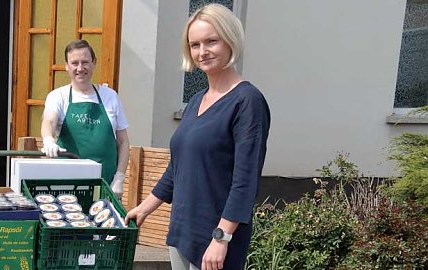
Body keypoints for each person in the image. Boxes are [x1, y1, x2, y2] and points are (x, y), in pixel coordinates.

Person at [125, 4, 270, 270]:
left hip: (216, 239)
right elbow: (177, 167)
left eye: (211, 42)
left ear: (230, 40)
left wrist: (222, 237)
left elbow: (245, 181)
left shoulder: (247, 101)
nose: (202, 52)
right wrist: (144, 208)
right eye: (195, 45)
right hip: (182, 232)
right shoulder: (195, 101)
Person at [40, 40, 130, 197]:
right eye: (74, 63)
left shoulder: (111, 97)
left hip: (105, 186)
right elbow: (49, 121)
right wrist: (48, 139)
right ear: (67, 66)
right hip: (66, 187)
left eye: (85, 62)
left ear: (94, 63)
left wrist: (120, 177)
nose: (80, 68)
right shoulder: (58, 96)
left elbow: (123, 142)